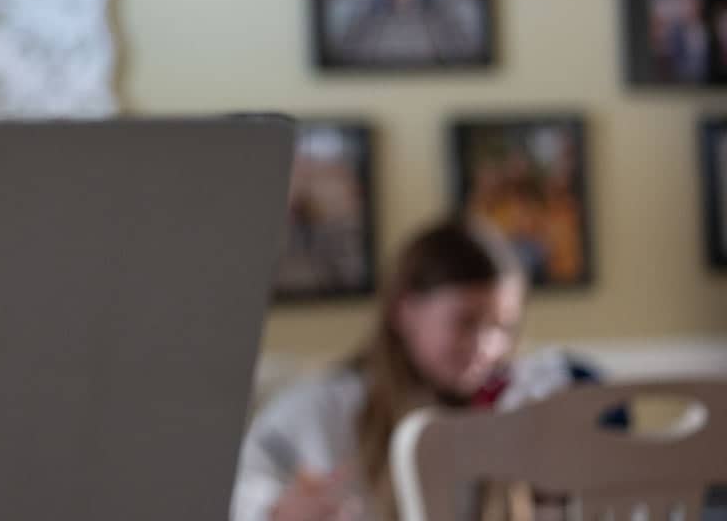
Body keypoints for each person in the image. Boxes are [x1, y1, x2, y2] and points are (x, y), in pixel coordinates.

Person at [232, 219, 598, 521]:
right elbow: (236, 494)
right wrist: (276, 512)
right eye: (465, 323)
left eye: (504, 327)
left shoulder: (522, 406)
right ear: (404, 311)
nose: (489, 348)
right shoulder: (319, 410)